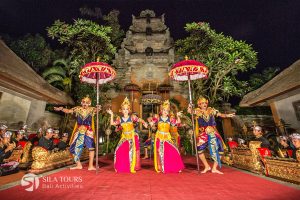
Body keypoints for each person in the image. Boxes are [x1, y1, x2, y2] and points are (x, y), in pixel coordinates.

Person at [188, 97, 235, 174]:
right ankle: (207, 166)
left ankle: (214, 168)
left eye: (205, 103)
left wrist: (228, 115)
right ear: (199, 104)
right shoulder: (197, 111)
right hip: (203, 133)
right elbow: (190, 111)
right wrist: (190, 106)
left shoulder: (211, 110)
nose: (204, 105)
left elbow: (220, 114)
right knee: (199, 149)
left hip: (213, 132)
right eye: (202, 103)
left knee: (221, 149)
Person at [54, 96, 101, 170]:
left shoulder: (91, 109)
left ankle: (90, 166)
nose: (85, 104)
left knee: (91, 148)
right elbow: (68, 111)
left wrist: (99, 107)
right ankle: (78, 164)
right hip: (79, 131)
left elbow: (97, 110)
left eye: (87, 102)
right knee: (72, 148)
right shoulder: (77, 109)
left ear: (89, 103)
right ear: (81, 102)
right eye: (84, 102)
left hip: (88, 131)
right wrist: (62, 109)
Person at [107, 97, 148, 173]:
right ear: (121, 110)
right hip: (125, 137)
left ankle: (134, 166)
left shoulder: (132, 117)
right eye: (124, 109)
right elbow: (113, 123)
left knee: (132, 152)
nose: (125, 111)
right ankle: (123, 166)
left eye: (126, 109)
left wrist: (145, 123)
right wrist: (112, 114)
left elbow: (140, 120)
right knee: (118, 150)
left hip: (132, 137)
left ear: (129, 110)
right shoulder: (120, 119)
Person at [150, 100, 184, 173]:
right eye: (164, 110)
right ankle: (161, 167)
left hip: (167, 137)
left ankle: (177, 166)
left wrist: (178, 116)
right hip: (159, 137)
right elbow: (151, 123)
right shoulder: (158, 118)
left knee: (174, 150)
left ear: (168, 112)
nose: (165, 112)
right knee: (160, 152)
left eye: (167, 110)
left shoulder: (170, 119)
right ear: (161, 110)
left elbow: (178, 123)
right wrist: (151, 123)